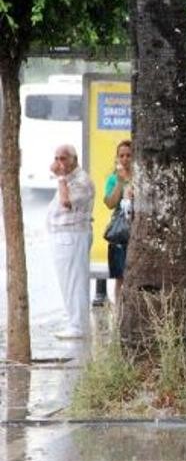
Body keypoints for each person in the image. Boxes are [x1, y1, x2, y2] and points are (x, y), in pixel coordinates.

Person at [47, 144, 95, 339]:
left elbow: (66, 203)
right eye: (57, 158)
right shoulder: (69, 179)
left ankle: (78, 326)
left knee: (75, 282)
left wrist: (60, 178)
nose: (59, 163)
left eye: (63, 158)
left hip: (73, 236)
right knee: (67, 282)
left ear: (74, 159)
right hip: (63, 236)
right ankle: (74, 322)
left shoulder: (81, 181)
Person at [103, 140, 134, 306]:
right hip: (120, 233)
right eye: (121, 155)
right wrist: (121, 183)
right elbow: (110, 203)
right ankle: (119, 313)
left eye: (129, 155)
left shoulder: (140, 178)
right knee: (120, 277)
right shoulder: (113, 180)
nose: (125, 159)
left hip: (137, 230)